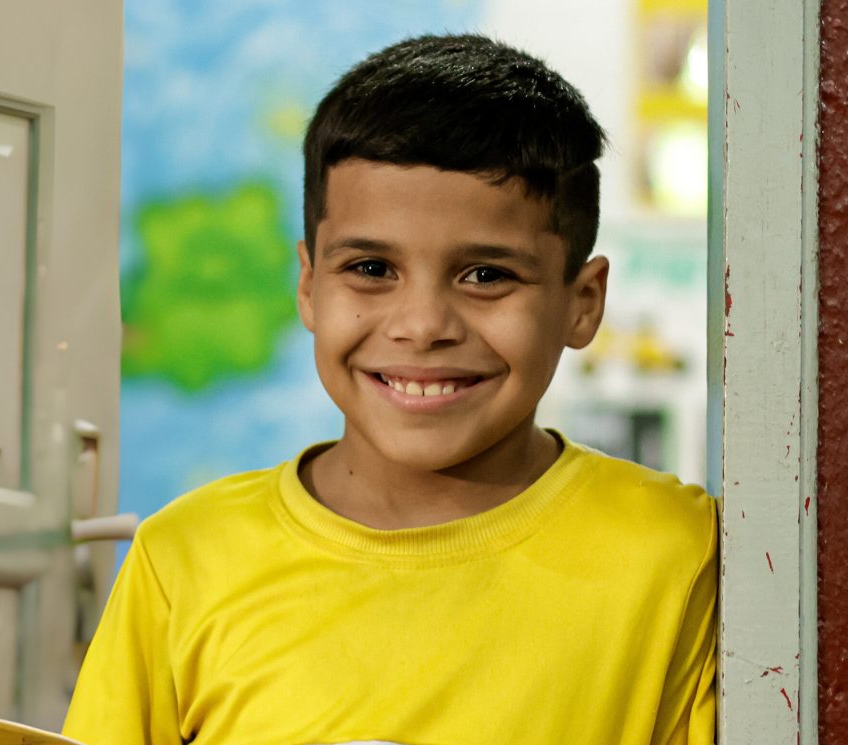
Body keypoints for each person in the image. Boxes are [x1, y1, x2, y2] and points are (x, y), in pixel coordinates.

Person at [64, 34, 717, 745]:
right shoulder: (184, 559)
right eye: (372, 269)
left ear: (582, 301)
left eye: (486, 275)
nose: (422, 326)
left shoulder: (677, 554)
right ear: (309, 285)